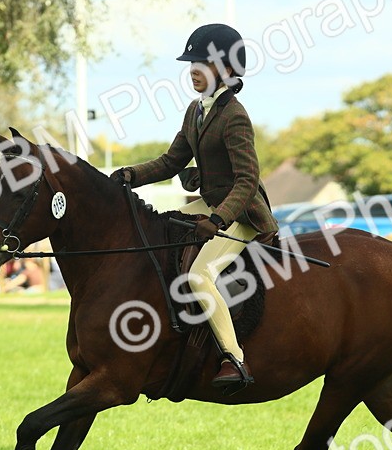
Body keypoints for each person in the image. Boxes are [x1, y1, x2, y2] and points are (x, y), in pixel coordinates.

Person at [112, 23, 278, 394]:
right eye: (191, 64)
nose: (193, 71)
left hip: (243, 211)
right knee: (165, 233)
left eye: (201, 63)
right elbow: (171, 162)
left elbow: (247, 180)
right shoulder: (195, 111)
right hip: (213, 201)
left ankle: (234, 358)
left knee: (200, 275)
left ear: (225, 69)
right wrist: (128, 175)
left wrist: (218, 219)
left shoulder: (235, 115)